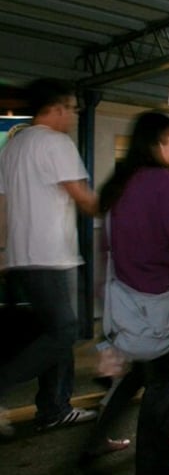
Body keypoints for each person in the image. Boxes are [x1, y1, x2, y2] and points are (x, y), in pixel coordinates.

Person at [81, 111, 169, 475]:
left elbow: (106, 246)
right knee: (160, 387)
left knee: (136, 373)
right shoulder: (166, 183)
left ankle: (91, 445)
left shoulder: (121, 182)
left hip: (125, 305)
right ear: (157, 144)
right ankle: (156, 471)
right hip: (158, 306)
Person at [0, 78, 99, 434]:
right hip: (51, 256)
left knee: (55, 331)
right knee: (64, 331)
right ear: (56, 108)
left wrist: (3, 251)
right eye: (72, 108)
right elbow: (84, 198)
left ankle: (55, 407)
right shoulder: (57, 143)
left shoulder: (13, 146)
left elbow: (2, 205)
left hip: (20, 257)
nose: (73, 115)